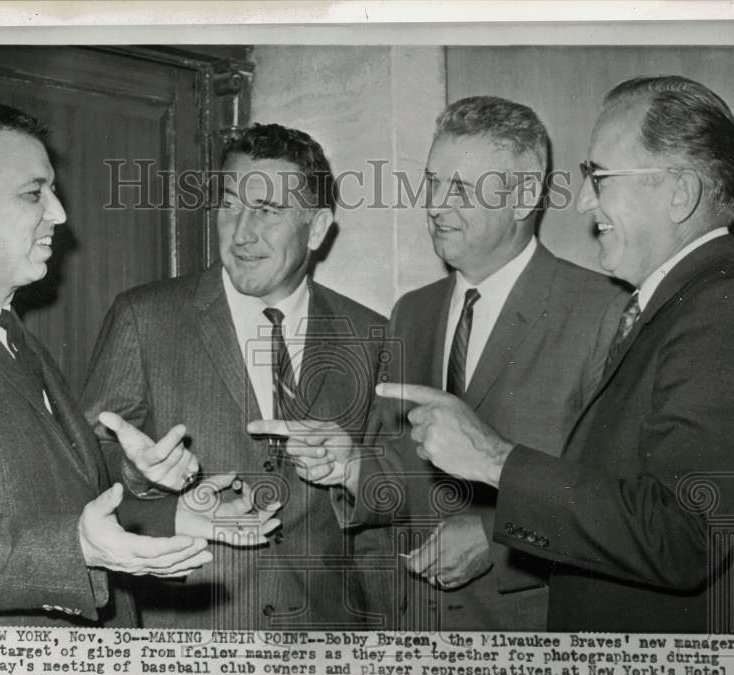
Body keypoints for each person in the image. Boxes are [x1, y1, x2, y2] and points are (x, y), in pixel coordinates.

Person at [377, 76, 734, 634]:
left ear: (680, 193)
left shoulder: (726, 309)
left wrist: (494, 460)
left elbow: (682, 536)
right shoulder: (681, 305)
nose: (581, 201)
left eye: (600, 178)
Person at [0, 103, 273, 632]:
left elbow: (53, 499)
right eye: (33, 193)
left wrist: (161, 504)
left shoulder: (10, 334)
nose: (59, 213)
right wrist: (77, 548)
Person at [253, 96, 627, 630]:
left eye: (460, 189)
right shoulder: (413, 312)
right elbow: (404, 478)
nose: (434, 205)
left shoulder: (603, 312)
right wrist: (352, 467)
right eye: (431, 183)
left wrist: (497, 541)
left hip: (532, 642)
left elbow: (619, 505)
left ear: (524, 198)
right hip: (413, 635)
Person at [81, 123, 388, 630]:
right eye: (229, 205)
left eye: (267, 211)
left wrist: (356, 469)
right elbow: (85, 466)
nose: (242, 232)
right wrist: (139, 476)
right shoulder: (145, 317)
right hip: (189, 640)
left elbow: (391, 503)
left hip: (327, 642)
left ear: (316, 228)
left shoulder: (370, 336)